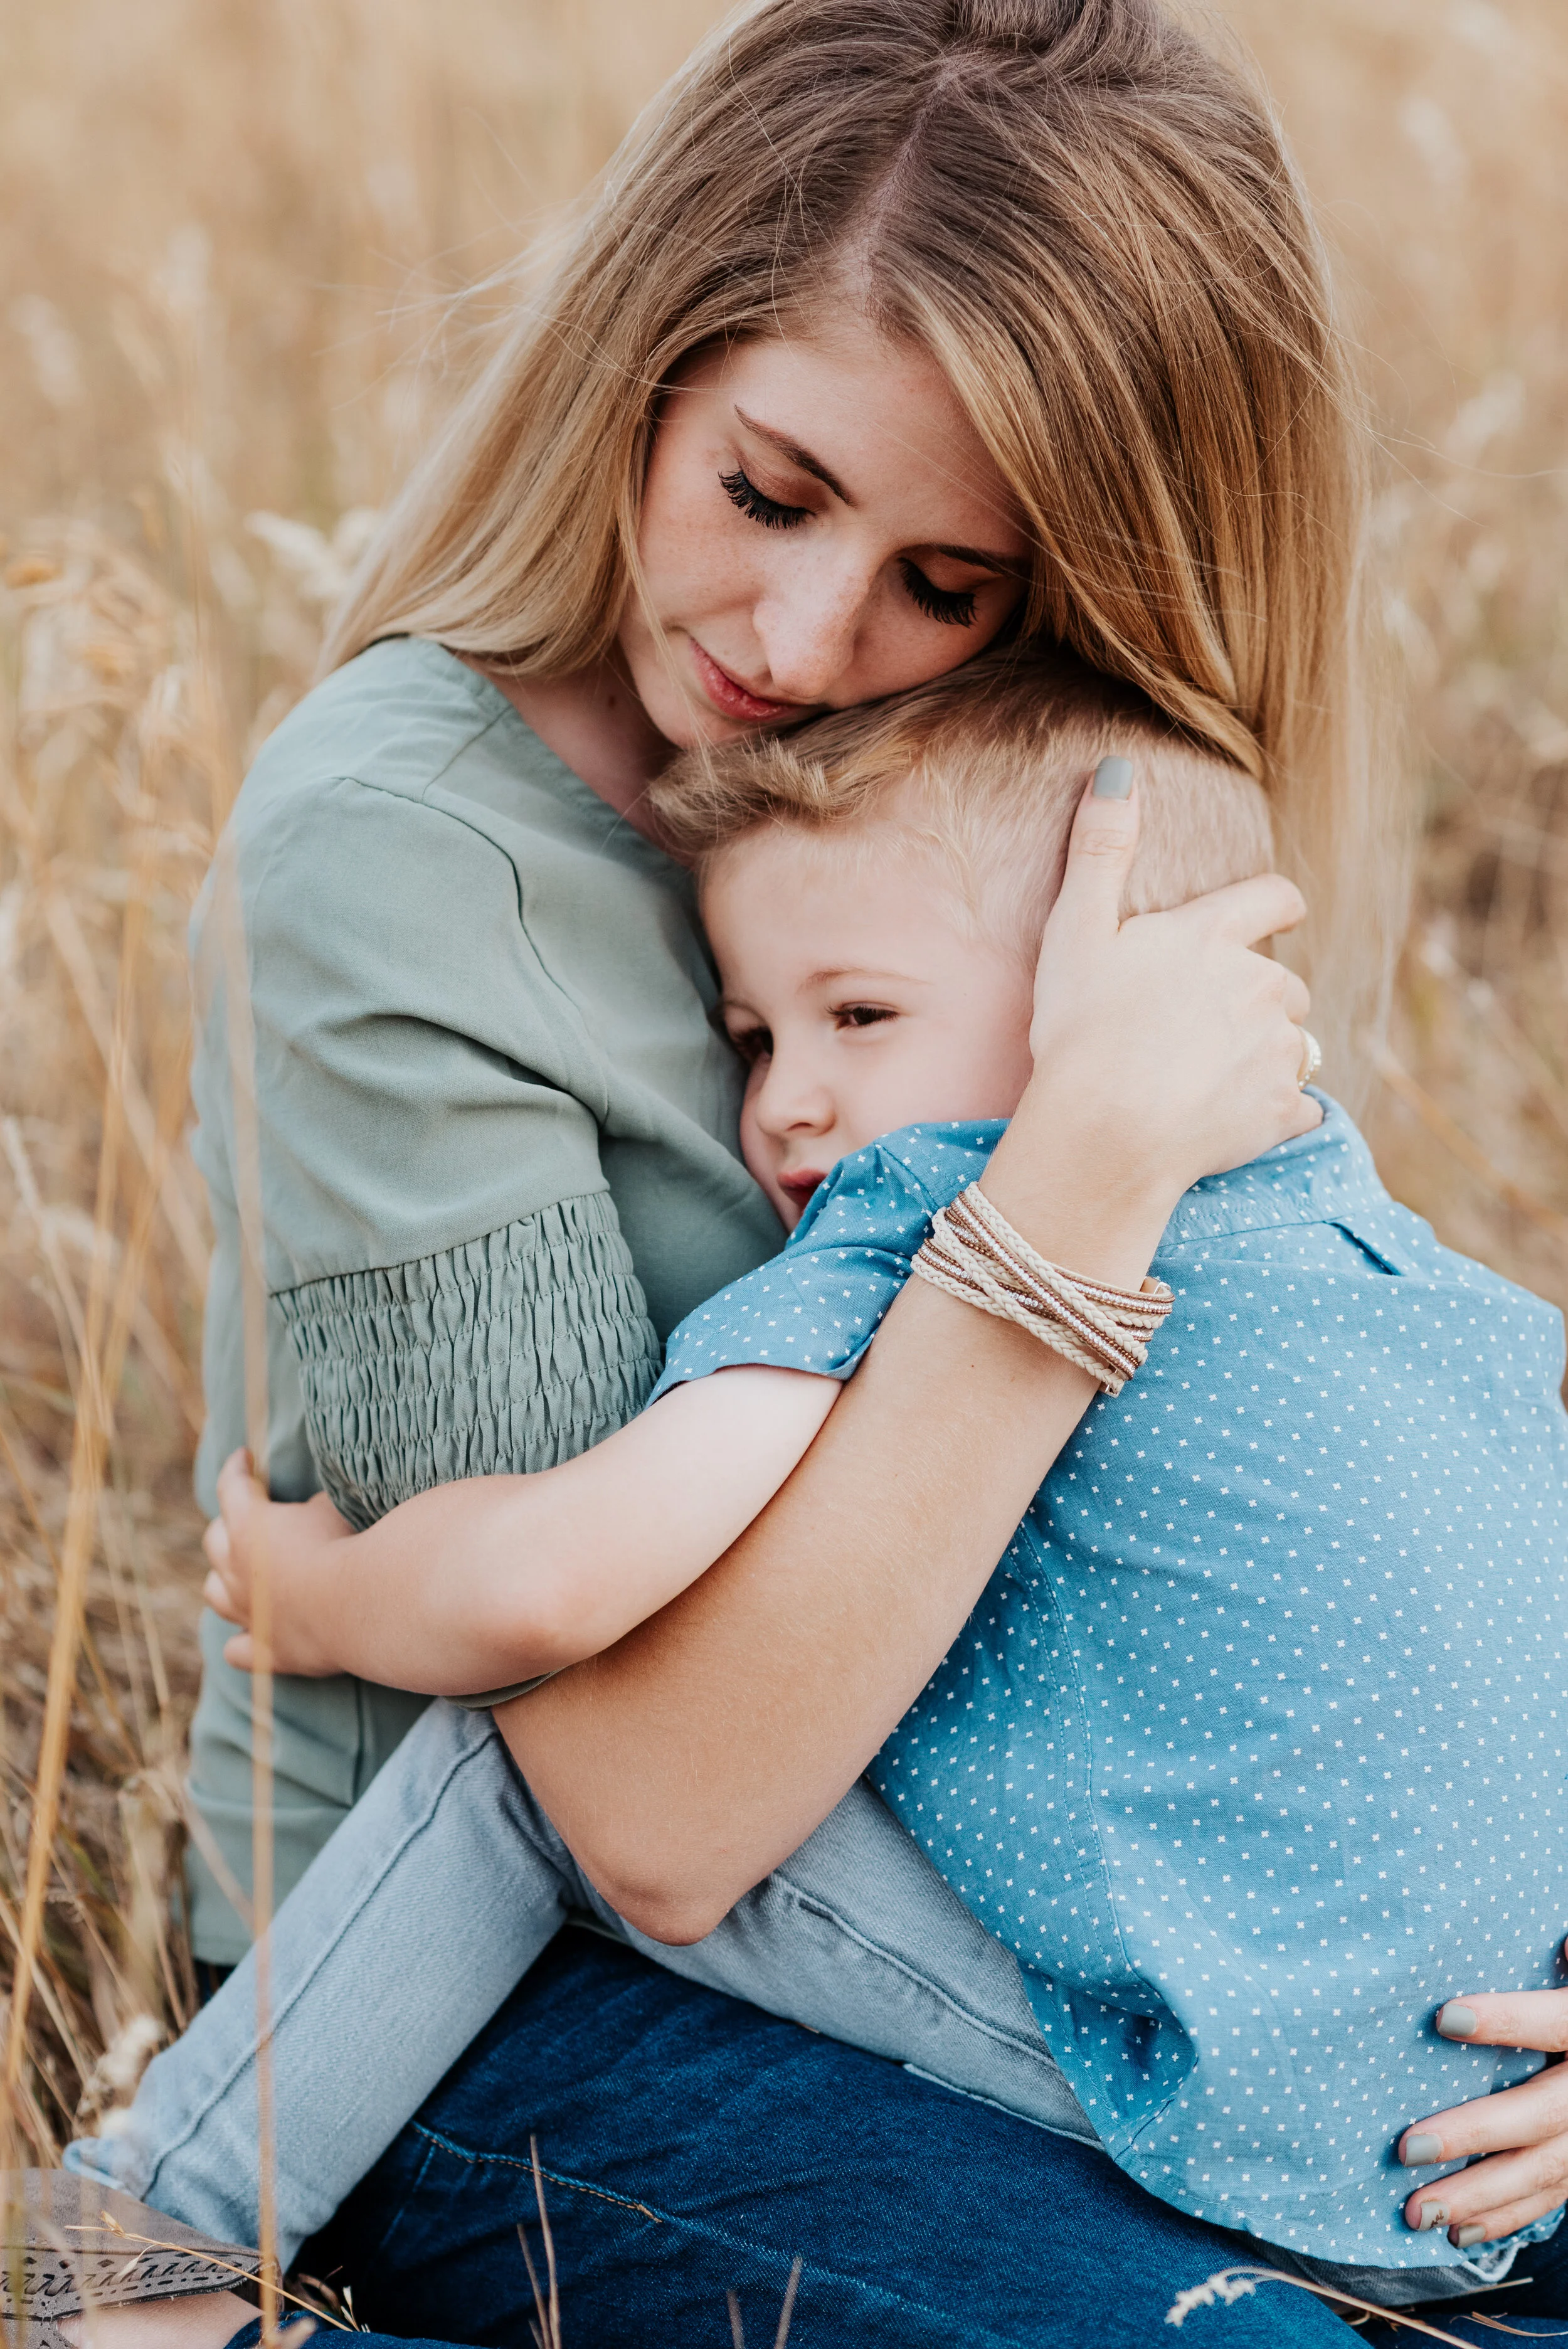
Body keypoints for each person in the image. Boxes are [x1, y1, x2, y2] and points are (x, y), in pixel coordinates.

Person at [32, 3, 1568, 2343]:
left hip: (1053, 1928)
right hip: (487, 1993)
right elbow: (623, 1799)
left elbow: (1383, 1539)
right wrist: (1064, 1185)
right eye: (767, 492)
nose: (802, 644)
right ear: (644, 365)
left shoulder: (1027, 822)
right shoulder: (400, 855)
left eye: (949, 585)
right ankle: (132, 2273)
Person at [76, 663, 1568, 2331]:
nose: (784, 1097)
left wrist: (323, 1600)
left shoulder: (923, 1208)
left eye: (855, 1016)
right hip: (1472, 2147)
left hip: (1206, 2102)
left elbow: (553, 1592)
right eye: (751, 1035)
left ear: (1123, 987)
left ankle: (111, 2261)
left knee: (537, 1741)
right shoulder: (1435, 1294)